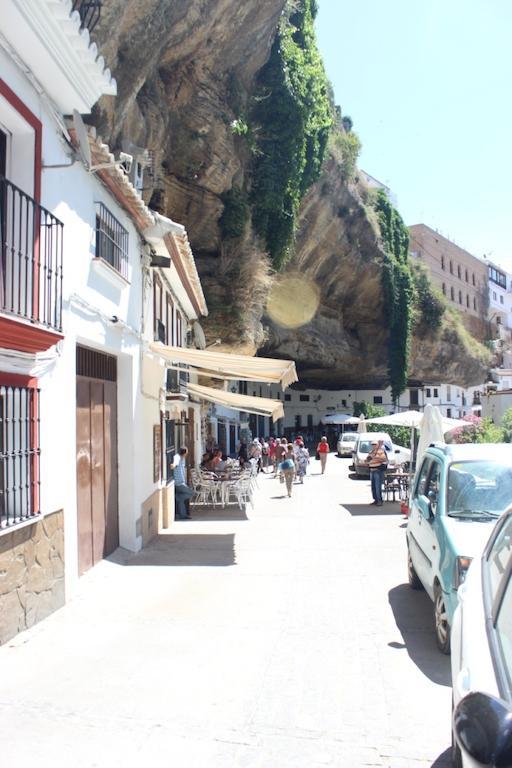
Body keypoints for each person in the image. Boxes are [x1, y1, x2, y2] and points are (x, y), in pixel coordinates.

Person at [173, 447, 194, 519]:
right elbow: (174, 464)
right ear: (185, 453)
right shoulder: (177, 457)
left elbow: (183, 469)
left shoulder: (183, 459)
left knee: (181, 500)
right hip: (178, 482)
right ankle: (178, 497)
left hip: (182, 481)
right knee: (192, 493)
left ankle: (183, 515)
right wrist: (173, 465)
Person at [366, 439, 388, 506]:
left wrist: (375, 458)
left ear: (377, 445)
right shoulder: (371, 452)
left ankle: (379, 500)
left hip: (377, 471)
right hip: (372, 471)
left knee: (378, 487)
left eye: (375, 444)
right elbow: (367, 459)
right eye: (372, 444)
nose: (373, 445)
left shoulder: (381, 451)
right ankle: (375, 500)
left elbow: (384, 459)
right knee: (373, 487)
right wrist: (369, 460)